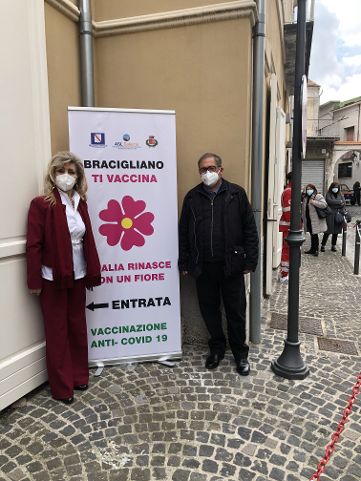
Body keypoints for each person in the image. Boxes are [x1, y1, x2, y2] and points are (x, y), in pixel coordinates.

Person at [26, 151, 101, 404]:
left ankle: (80, 375)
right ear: (53, 174)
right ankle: (61, 387)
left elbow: (86, 238)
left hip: (79, 274)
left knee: (77, 326)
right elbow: (34, 245)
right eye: (61, 171)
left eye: (71, 172)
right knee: (57, 331)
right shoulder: (42, 204)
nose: (66, 176)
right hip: (53, 278)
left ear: (78, 177)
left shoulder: (81, 202)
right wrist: (34, 280)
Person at [179, 153, 258, 376]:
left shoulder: (236, 194)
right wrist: (185, 261)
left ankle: (240, 353)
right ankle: (216, 348)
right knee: (209, 311)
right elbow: (183, 231)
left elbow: (250, 230)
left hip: (231, 265)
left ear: (221, 170)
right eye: (203, 169)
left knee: (236, 312)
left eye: (211, 168)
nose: (207, 173)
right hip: (203, 267)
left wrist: (250, 260)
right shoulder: (193, 197)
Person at [301, 183, 327, 256]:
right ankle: (312, 249)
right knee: (312, 235)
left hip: (315, 219)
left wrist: (313, 202)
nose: (309, 190)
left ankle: (316, 250)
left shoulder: (317, 196)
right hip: (308, 219)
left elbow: (324, 205)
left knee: (315, 234)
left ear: (314, 189)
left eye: (310, 189)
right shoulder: (306, 197)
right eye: (308, 189)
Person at [321, 182, 345, 252]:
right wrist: (339, 202)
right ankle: (323, 245)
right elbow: (329, 202)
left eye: (337, 187)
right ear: (331, 188)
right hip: (330, 214)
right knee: (328, 231)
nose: (335, 189)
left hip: (338, 214)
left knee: (336, 231)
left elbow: (343, 203)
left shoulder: (340, 194)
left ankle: (333, 246)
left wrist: (337, 203)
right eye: (334, 187)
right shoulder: (328, 194)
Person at [279, 172, 292, 282]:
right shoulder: (289, 192)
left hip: (290, 227)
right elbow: (288, 212)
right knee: (287, 251)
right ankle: (284, 274)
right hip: (289, 227)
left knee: (289, 251)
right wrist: (294, 225)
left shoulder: (290, 190)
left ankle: (286, 273)